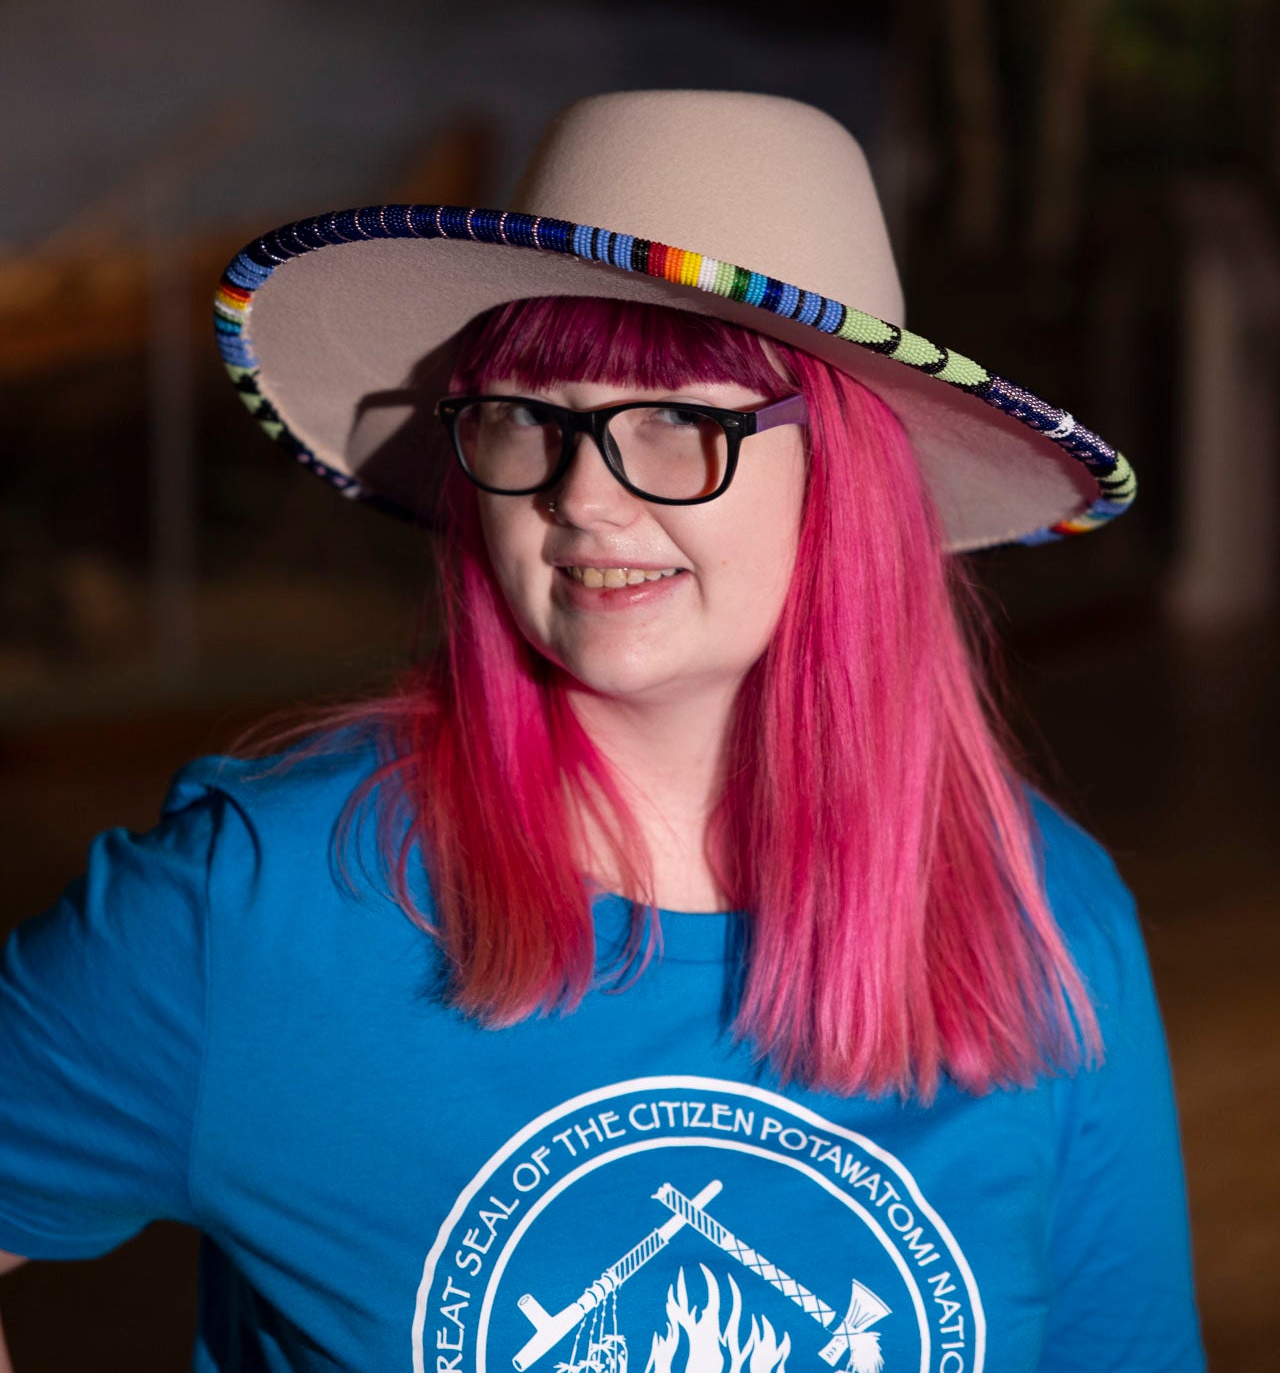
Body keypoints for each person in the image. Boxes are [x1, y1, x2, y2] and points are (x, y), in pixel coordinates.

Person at [0, 91, 1202, 1372]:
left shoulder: (1042, 918)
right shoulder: (252, 910)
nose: (581, 496)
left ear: (842, 476)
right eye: (528, 416)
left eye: (681, 422)